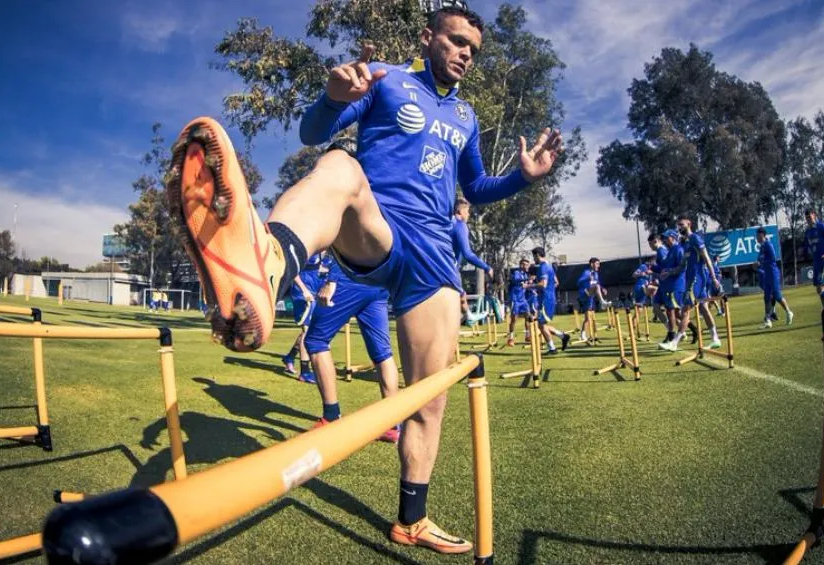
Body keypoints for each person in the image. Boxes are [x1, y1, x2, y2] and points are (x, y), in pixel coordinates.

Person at [164, 4, 562, 554]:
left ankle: (411, 520)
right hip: (380, 233)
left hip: (436, 264)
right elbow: (312, 131)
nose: (466, 52)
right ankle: (268, 262)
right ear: (428, 39)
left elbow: (477, 187)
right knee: (340, 166)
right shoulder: (387, 81)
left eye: (473, 46)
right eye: (455, 40)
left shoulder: (467, 117)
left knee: (428, 400)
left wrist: (521, 178)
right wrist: (332, 97)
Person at [304, 254, 400, 443]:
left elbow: (346, 237)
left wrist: (332, 279)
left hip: (348, 281)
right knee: (383, 354)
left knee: (316, 341)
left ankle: (331, 416)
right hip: (379, 283)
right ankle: (393, 424)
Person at [674, 218, 722, 350]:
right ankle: (715, 338)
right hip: (689, 278)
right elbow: (683, 264)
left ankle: (674, 342)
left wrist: (714, 277)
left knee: (685, 309)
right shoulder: (684, 243)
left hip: (698, 278)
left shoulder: (695, 238)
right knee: (703, 308)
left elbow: (706, 258)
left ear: (689, 224)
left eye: (681, 225)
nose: (679, 227)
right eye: (678, 225)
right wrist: (670, 272)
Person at [281, 252, 327, 384]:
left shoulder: (326, 251)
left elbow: (317, 269)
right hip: (303, 293)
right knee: (308, 332)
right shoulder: (308, 249)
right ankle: (305, 372)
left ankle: (290, 357)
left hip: (315, 291)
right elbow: (292, 270)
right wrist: (304, 290)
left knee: (308, 330)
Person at [451, 198, 492, 324]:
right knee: (457, 298)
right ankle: (467, 316)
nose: (468, 215)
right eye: (467, 211)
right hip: (450, 269)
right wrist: (486, 267)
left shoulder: (445, 223)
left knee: (461, 296)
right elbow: (467, 254)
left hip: (437, 267)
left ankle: (467, 315)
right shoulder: (460, 225)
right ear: (459, 211)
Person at [532, 247, 570, 354]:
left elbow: (543, 284)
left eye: (534, 256)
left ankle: (552, 348)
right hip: (548, 297)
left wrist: (528, 286)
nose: (534, 259)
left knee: (541, 325)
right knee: (542, 324)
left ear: (538, 255)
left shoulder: (543, 267)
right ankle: (562, 336)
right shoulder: (549, 266)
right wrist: (549, 289)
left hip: (545, 299)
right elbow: (556, 282)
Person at [755, 228, 793, 328]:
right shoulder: (762, 247)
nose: (756, 237)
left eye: (758, 235)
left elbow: (773, 258)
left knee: (777, 296)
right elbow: (761, 261)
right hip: (766, 274)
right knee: (766, 297)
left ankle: (789, 312)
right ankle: (768, 320)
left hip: (773, 274)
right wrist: (757, 265)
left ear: (762, 235)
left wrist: (761, 263)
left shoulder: (768, 245)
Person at [655, 230, 685, 351]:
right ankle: (673, 336)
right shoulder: (670, 251)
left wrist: (669, 272)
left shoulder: (678, 250)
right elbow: (665, 267)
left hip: (676, 285)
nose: (665, 240)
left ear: (673, 238)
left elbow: (682, 267)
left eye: (667, 238)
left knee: (674, 312)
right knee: (670, 311)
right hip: (668, 286)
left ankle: (674, 339)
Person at [804, 209, 824, 310]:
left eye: (809, 216)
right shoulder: (808, 231)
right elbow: (808, 245)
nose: (808, 219)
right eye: (806, 217)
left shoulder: (821, 226)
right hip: (816, 263)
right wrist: (807, 250)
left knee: (821, 287)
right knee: (819, 289)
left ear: (814, 215)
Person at [576, 257, 604, 342]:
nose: (598, 266)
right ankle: (602, 302)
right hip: (584, 294)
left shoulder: (595, 274)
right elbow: (578, 282)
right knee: (588, 317)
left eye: (599, 264)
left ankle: (584, 334)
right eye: (597, 264)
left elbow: (597, 283)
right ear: (592, 264)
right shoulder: (586, 272)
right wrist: (587, 278)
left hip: (590, 296)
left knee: (588, 317)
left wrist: (603, 289)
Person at [505, 258, 531, 347]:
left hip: (523, 300)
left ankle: (527, 336)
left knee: (528, 317)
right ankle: (511, 338)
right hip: (515, 299)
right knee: (514, 319)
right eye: (525, 264)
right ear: (521, 265)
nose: (527, 266)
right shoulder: (517, 273)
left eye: (528, 265)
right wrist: (528, 279)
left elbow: (527, 285)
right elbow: (516, 279)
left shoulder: (525, 274)